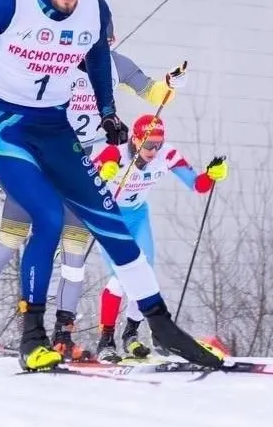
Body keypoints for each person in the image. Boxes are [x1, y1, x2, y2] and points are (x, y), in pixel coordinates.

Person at [0, 0, 223, 371]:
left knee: (110, 222)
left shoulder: (94, 9)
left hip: (55, 128)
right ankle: (33, 338)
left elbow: (98, 60)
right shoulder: (10, 1)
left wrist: (108, 112)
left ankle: (161, 324)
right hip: (4, 126)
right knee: (46, 216)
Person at [0, 51, 188, 362]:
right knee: (9, 241)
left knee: (74, 257)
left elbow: (154, 92)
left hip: (78, 167)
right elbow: (15, 97)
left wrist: (170, 83)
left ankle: (63, 335)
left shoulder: (117, 65)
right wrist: (0, 146)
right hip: (37, 162)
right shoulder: (54, 60)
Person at [90, 114, 228, 363]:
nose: (154, 151)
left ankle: (130, 335)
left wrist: (212, 174)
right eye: (148, 145)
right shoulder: (115, 154)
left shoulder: (168, 154)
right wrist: (101, 172)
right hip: (109, 218)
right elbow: (81, 177)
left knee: (145, 274)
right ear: (135, 139)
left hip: (138, 216)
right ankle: (106, 340)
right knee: (121, 278)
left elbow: (198, 186)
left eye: (158, 144)